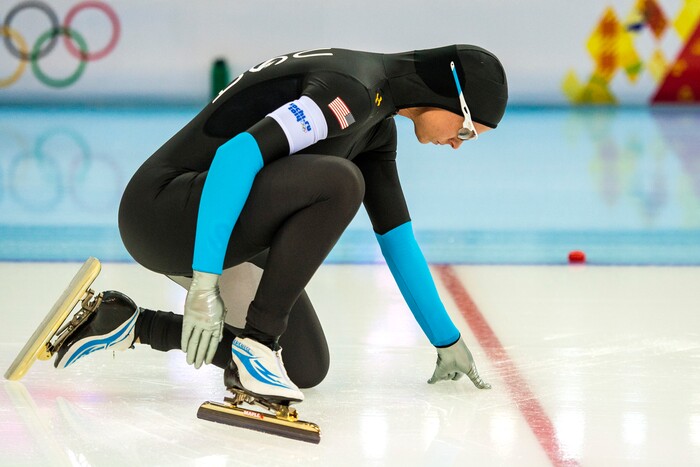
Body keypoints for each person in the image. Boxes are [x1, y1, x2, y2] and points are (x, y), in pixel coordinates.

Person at [54, 45, 508, 403]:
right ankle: (257, 345)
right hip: (161, 212)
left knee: (306, 366)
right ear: (452, 96)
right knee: (340, 183)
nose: (458, 144)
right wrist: (204, 285)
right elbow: (235, 157)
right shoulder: (350, 89)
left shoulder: (376, 126)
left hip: (224, 224)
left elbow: (396, 238)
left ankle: (126, 323)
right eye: (466, 130)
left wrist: (445, 339)